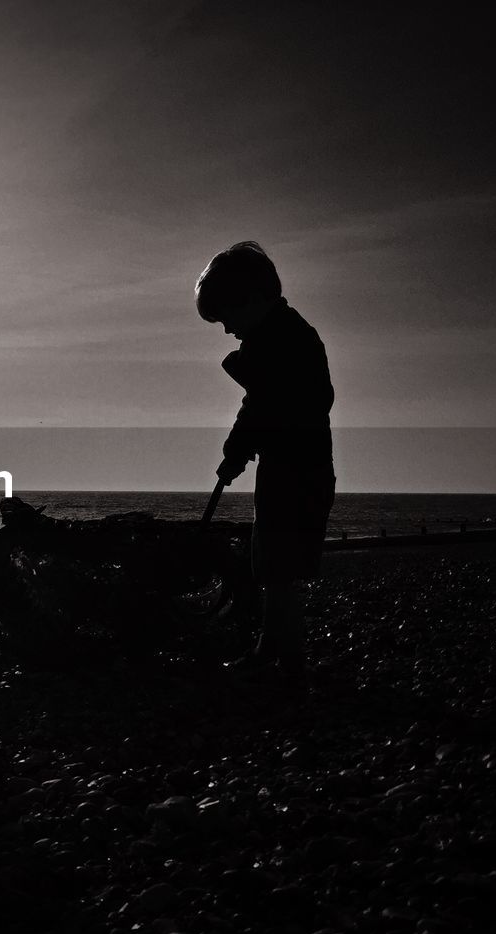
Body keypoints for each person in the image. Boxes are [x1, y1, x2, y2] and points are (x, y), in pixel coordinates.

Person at [195, 241, 335, 690]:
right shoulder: (280, 339)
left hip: (298, 471)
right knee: (274, 566)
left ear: (253, 299)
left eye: (226, 318)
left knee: (280, 569)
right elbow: (258, 405)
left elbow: (272, 405)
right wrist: (238, 449)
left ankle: (288, 663)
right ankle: (272, 650)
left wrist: (241, 446)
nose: (226, 331)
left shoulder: (286, 342)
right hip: (292, 467)